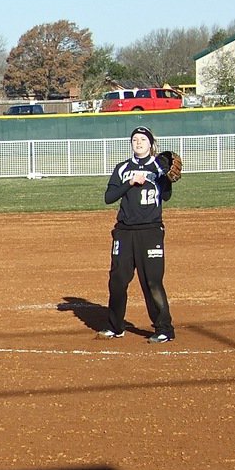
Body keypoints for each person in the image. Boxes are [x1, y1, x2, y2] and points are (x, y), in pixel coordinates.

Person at [98, 126, 176, 344]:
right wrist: (130, 182)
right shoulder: (122, 168)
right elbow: (109, 197)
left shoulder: (159, 167)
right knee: (117, 281)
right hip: (124, 232)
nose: (138, 142)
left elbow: (167, 196)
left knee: (152, 281)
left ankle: (164, 328)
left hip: (150, 231)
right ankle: (115, 326)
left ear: (150, 144)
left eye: (143, 139)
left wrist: (167, 177)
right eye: (135, 139)